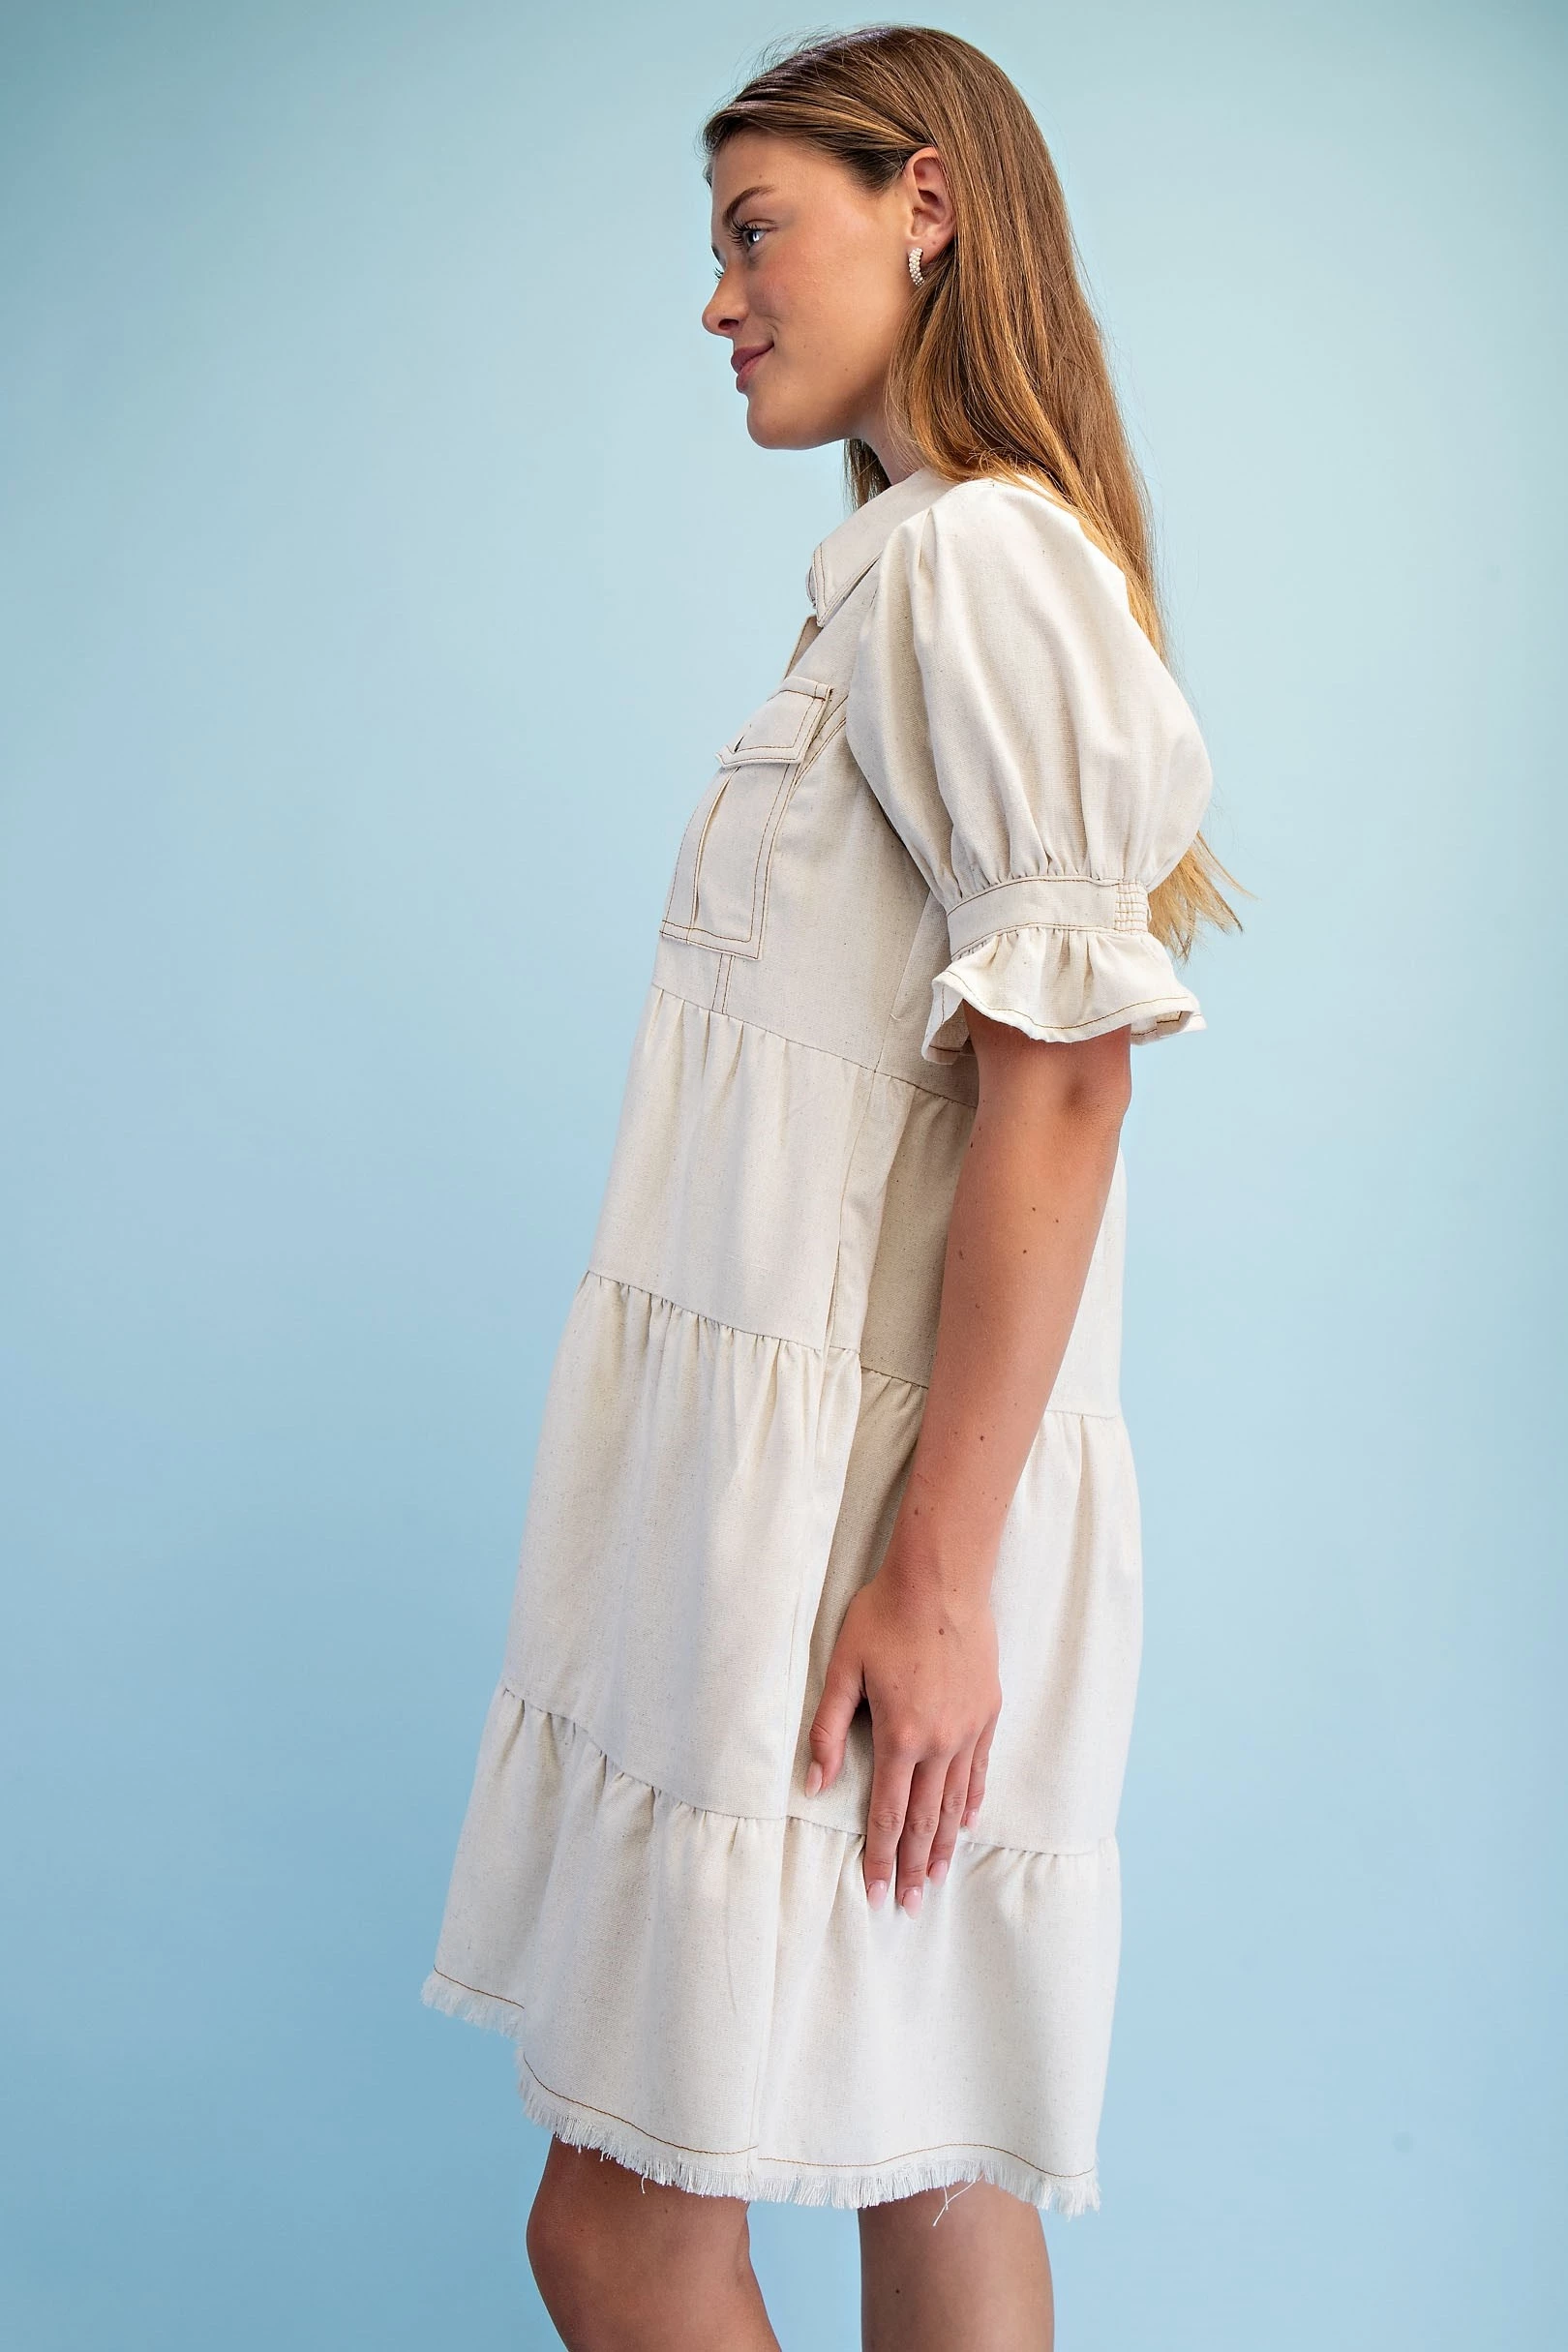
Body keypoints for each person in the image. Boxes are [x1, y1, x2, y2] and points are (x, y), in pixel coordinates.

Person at [421, 25, 1243, 2350]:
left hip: (863, 1552)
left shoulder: (976, 562)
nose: (719, 300)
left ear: (927, 209)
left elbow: (1065, 1088)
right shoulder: (910, 572)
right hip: (855, 1529)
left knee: (627, 2233)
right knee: (930, 2170)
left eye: (754, 230)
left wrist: (936, 1583)